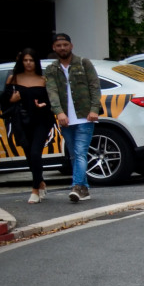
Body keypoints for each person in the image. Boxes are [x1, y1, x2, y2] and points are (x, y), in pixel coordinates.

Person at [45, 32, 101, 203]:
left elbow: (95, 86)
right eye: (59, 45)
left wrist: (94, 109)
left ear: (71, 46)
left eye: (65, 45)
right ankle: (84, 189)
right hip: (66, 119)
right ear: (54, 48)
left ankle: (76, 186)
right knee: (73, 155)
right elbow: (52, 92)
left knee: (80, 152)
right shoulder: (51, 69)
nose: (62, 48)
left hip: (85, 117)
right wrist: (59, 112)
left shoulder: (84, 64)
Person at [0, 49, 55, 204]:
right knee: (29, 154)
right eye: (25, 60)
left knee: (36, 153)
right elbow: (2, 101)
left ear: (35, 62)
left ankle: (35, 189)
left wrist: (44, 104)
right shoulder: (13, 78)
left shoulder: (43, 79)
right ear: (21, 62)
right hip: (21, 121)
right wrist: (12, 99)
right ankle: (40, 181)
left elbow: (52, 100)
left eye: (31, 60)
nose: (28, 63)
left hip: (41, 120)